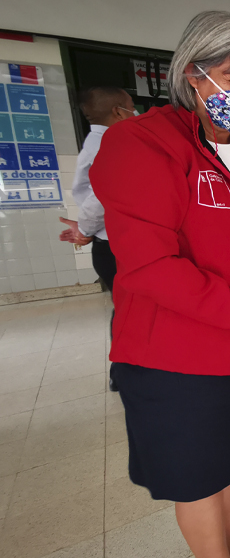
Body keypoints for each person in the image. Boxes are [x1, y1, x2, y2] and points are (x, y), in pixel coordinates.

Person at [90, 11, 230, 558]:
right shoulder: (141, 143)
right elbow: (150, 266)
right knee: (198, 473)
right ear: (192, 75)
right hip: (177, 355)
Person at [59, 86, 137, 391]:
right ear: (119, 111)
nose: (136, 112)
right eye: (132, 106)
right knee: (128, 308)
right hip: (111, 246)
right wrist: (85, 230)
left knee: (125, 307)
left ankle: (124, 370)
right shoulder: (110, 143)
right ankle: (124, 372)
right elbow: (100, 198)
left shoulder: (97, 140)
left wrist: (86, 230)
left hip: (107, 242)